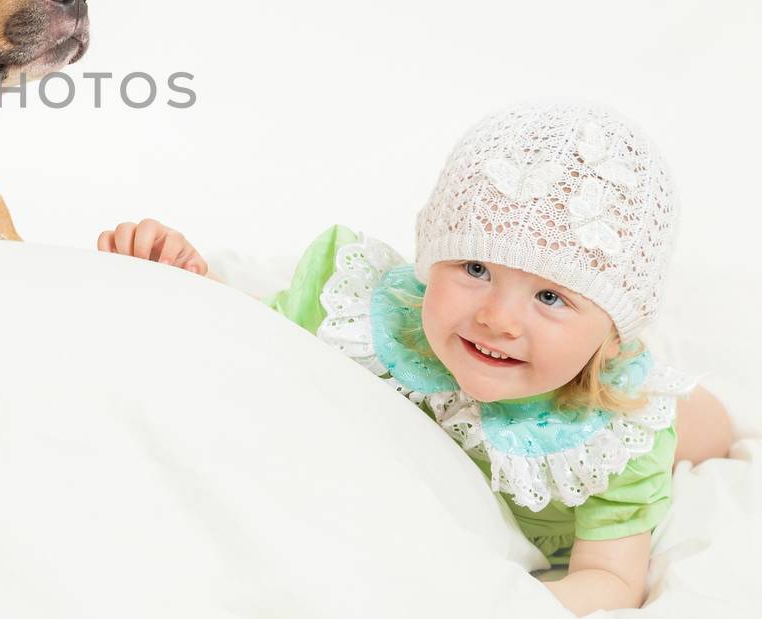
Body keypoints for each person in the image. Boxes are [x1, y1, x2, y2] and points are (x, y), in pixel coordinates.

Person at [103, 101, 734, 616]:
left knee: (702, 424)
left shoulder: (612, 439)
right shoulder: (372, 323)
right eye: (475, 267)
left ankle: (683, 394)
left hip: (616, 396)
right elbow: (256, 337)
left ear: (613, 330)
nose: (497, 318)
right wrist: (184, 276)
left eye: (550, 296)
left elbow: (610, 579)